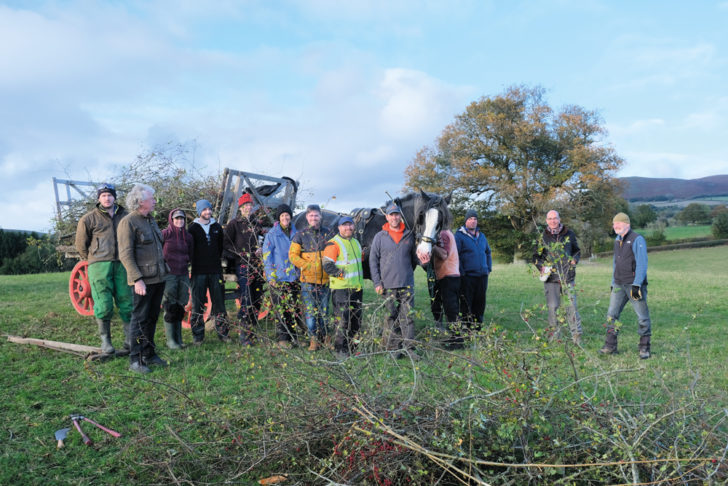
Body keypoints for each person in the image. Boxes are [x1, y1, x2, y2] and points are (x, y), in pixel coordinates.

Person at [75, 183, 132, 355]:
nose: (107, 198)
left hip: (122, 263)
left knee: (127, 301)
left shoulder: (126, 216)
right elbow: (81, 245)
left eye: (109, 195)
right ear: (99, 198)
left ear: (115, 197)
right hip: (99, 265)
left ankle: (130, 340)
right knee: (104, 303)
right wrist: (94, 258)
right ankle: (106, 341)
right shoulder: (88, 219)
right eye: (103, 195)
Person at [118, 184, 168, 373]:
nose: (155, 201)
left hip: (158, 278)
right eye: (152, 198)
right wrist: (137, 279)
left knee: (152, 318)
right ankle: (136, 359)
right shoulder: (128, 222)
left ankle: (149, 353)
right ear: (141, 202)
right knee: (139, 319)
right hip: (143, 281)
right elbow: (125, 254)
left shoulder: (150, 220)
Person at [370, 201, 423, 358]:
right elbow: (373, 261)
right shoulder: (380, 237)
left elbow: (415, 258)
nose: (394, 217)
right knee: (391, 317)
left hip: (406, 284)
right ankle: (393, 348)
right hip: (388, 285)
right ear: (387, 217)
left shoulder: (409, 235)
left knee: (408, 317)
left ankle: (409, 348)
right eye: (391, 214)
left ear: (400, 216)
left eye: (397, 214)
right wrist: (377, 283)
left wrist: (423, 260)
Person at [600, 212, 652, 359]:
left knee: (642, 317)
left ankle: (644, 348)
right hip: (618, 284)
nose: (616, 226)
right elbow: (615, 263)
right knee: (612, 315)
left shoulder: (637, 239)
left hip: (633, 285)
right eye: (614, 224)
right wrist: (612, 283)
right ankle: (610, 346)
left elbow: (642, 263)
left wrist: (637, 285)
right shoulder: (617, 239)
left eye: (619, 223)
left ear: (627, 224)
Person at [532, 210, 583, 344]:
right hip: (551, 279)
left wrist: (574, 259)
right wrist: (542, 267)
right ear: (546, 221)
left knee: (572, 307)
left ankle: (576, 337)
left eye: (555, 218)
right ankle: (554, 337)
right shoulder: (542, 237)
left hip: (567, 277)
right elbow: (536, 257)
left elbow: (576, 250)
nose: (553, 221)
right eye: (550, 219)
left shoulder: (569, 234)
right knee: (553, 308)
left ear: (559, 219)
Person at [289, 204, 331, 351]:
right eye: (311, 215)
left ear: (320, 216)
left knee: (324, 311)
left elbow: (334, 252)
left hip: (325, 280)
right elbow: (293, 255)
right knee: (310, 312)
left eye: (316, 215)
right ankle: (313, 340)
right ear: (307, 217)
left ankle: (325, 337)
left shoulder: (328, 234)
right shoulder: (300, 235)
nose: (314, 218)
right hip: (307, 281)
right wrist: (306, 266)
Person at [323, 216, 364, 359]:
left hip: (357, 289)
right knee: (342, 321)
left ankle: (355, 348)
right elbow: (327, 265)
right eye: (344, 225)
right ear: (339, 228)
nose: (348, 228)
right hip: (341, 289)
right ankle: (340, 349)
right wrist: (341, 274)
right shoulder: (333, 243)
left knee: (356, 321)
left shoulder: (356, 243)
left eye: (350, 225)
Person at [223, 193, 262, 346]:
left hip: (257, 264)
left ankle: (252, 332)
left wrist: (260, 249)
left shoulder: (256, 224)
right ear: (240, 208)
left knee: (258, 297)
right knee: (247, 298)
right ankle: (244, 334)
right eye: (245, 206)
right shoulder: (234, 224)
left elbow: (261, 240)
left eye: (250, 205)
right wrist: (241, 254)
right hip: (243, 264)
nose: (248, 208)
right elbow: (226, 244)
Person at [187, 199, 228, 345]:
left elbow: (221, 247)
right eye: (204, 210)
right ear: (199, 212)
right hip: (198, 272)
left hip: (215, 271)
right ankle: (198, 336)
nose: (208, 212)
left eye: (209, 209)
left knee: (219, 303)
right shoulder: (192, 229)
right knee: (198, 304)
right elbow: (190, 249)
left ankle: (223, 333)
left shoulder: (217, 227)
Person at [262, 204, 300, 348]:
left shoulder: (296, 233)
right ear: (279, 218)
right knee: (280, 308)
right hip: (279, 277)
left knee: (293, 308)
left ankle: (293, 336)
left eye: (287, 215)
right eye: (282, 215)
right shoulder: (272, 234)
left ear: (290, 217)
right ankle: (283, 338)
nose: (285, 218)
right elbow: (267, 256)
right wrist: (271, 277)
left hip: (294, 277)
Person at [455, 209, 492, 332]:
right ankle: (466, 328)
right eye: (470, 219)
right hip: (467, 276)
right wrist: (462, 273)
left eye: (475, 219)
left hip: (482, 276)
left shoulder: (481, 236)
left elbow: (488, 252)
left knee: (480, 302)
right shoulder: (459, 236)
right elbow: (456, 256)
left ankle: (478, 328)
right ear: (466, 221)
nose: (473, 221)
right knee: (466, 303)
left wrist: (488, 268)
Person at [161, 208, 193, 350]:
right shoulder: (165, 234)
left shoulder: (188, 236)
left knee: (181, 304)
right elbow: (157, 251)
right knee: (170, 305)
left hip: (183, 273)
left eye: (182, 219)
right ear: (171, 220)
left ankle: (179, 338)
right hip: (169, 274)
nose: (179, 221)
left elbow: (191, 253)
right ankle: (170, 340)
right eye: (177, 219)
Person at [429, 225, 462, 348]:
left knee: (451, 310)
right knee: (453, 309)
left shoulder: (443, 234)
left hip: (448, 275)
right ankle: (455, 337)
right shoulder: (448, 232)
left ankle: (457, 340)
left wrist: (432, 245)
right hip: (452, 275)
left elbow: (443, 254)